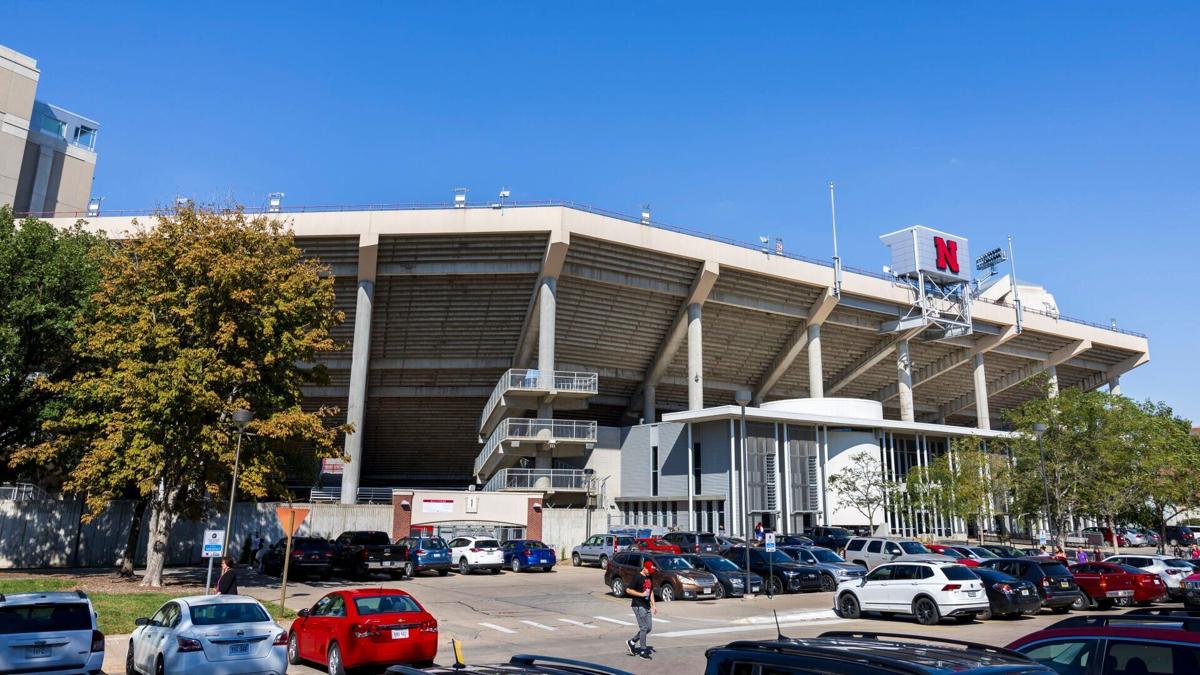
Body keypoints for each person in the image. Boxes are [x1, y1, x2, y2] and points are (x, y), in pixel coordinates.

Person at [625, 559, 657, 660]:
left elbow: (651, 591)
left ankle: (632, 642)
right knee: (643, 627)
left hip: (646, 605)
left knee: (649, 628)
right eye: (649, 571)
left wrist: (654, 605)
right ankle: (643, 651)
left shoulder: (649, 577)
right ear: (645, 568)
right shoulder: (637, 577)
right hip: (638, 605)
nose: (650, 573)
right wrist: (641, 594)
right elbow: (628, 590)